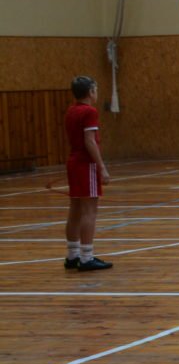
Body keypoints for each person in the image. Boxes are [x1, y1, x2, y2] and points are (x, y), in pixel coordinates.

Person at [64, 75, 112, 271]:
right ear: (90, 92)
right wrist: (101, 167)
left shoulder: (71, 110)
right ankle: (86, 257)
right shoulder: (90, 111)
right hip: (86, 164)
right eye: (96, 89)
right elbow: (90, 141)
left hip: (73, 162)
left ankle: (72, 255)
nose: (96, 93)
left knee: (75, 209)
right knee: (89, 211)